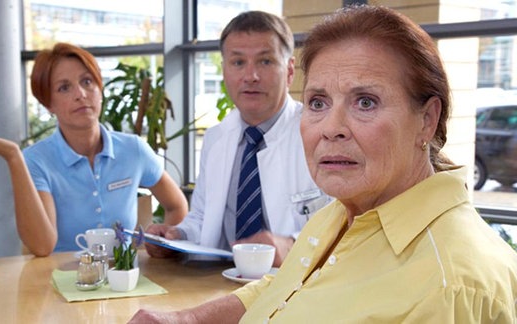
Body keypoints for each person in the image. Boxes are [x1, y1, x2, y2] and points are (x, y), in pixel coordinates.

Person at [128, 5, 517, 323]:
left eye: (365, 101)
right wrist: (187, 320)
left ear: (427, 120)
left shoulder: (446, 287)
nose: (330, 128)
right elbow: (284, 287)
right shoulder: (341, 214)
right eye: (318, 102)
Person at [0, 42, 188, 256]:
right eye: (64, 87)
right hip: (59, 288)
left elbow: (177, 205)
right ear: (48, 103)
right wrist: (13, 157)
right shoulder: (36, 160)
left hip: (123, 284)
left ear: (100, 89)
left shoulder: (133, 149)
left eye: (87, 82)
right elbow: (43, 246)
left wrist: (163, 251)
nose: (80, 95)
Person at [145, 11, 330, 267]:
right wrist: (178, 235)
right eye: (238, 62)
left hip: (295, 286)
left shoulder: (322, 133)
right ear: (224, 71)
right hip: (218, 281)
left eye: (265, 62)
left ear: (289, 70)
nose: (250, 75)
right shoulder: (215, 138)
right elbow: (201, 217)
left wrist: (291, 245)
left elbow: (346, 222)